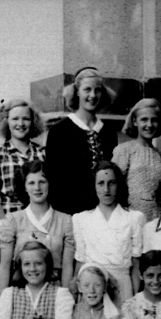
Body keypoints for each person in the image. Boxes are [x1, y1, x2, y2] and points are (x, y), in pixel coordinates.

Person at [45, 67, 117, 215]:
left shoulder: (108, 132)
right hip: (69, 212)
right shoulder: (59, 131)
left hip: (103, 213)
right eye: (87, 89)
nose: (93, 95)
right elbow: (53, 179)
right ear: (77, 91)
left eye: (97, 90)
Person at [73, 161, 145, 307]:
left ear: (119, 185)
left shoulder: (134, 218)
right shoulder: (81, 219)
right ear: (93, 186)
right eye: (101, 183)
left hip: (121, 286)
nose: (106, 189)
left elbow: (136, 265)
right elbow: (80, 262)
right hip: (92, 287)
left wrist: (135, 301)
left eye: (112, 183)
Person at [0, 160, 75, 294]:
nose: (37, 188)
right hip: (22, 291)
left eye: (42, 182)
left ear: (49, 184)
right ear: (24, 187)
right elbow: (5, 266)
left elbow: (67, 267)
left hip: (54, 291)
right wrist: (2, 299)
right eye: (31, 183)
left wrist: (66, 298)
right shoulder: (14, 220)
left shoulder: (65, 220)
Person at [0, 99, 46, 217]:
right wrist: (4, 221)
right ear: (6, 121)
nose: (20, 124)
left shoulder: (43, 152)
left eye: (26, 119)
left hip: (40, 218)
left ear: (33, 122)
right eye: (15, 119)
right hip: (10, 218)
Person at [112, 98, 161, 221]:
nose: (149, 125)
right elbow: (115, 186)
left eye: (154, 120)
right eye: (144, 119)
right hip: (130, 218)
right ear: (135, 121)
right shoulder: (124, 150)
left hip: (156, 218)